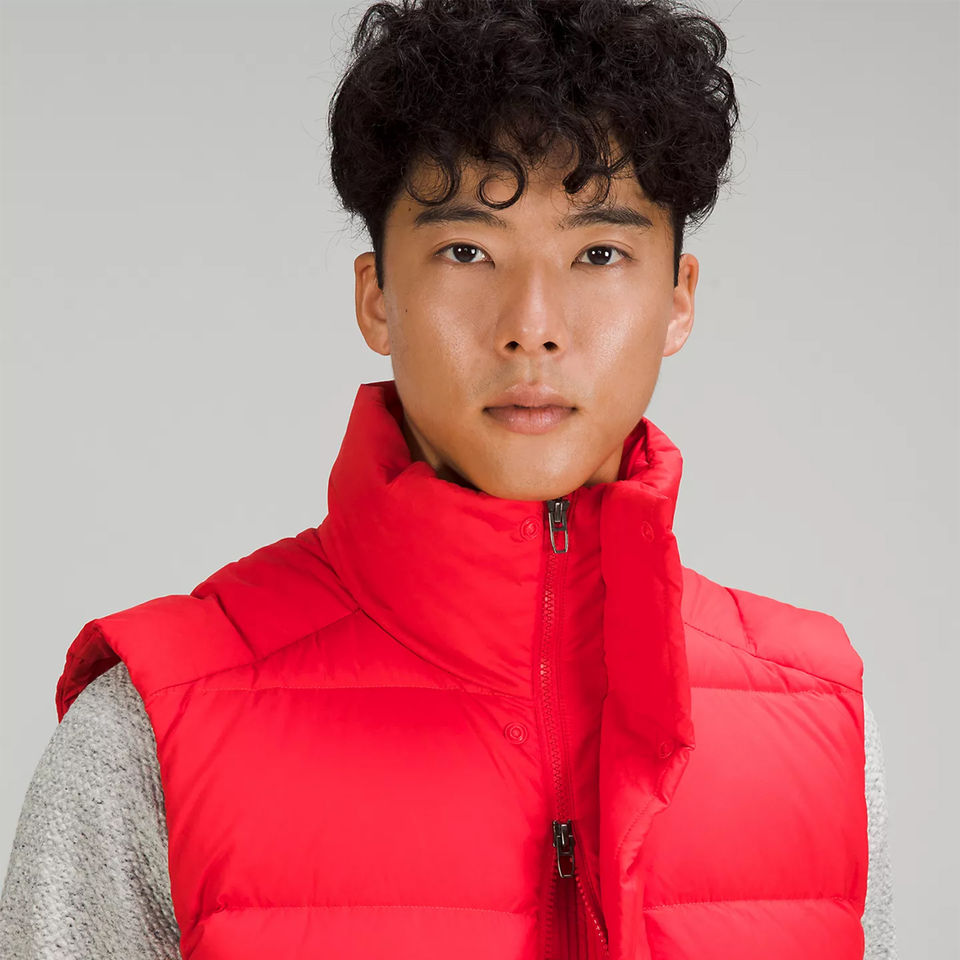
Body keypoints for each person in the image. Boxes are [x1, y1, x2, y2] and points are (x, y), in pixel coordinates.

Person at [0, 1, 898, 958]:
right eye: (467, 251)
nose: (532, 326)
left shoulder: (820, 724)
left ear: (678, 301)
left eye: (599, 253)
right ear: (377, 297)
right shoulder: (155, 728)